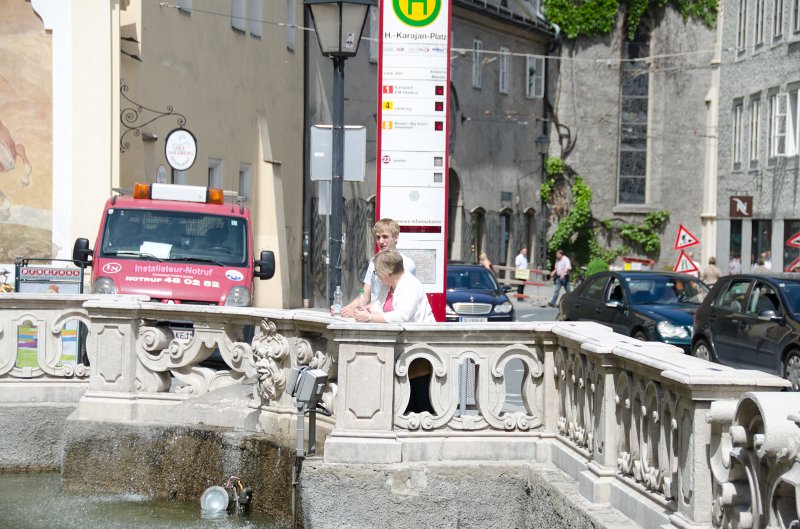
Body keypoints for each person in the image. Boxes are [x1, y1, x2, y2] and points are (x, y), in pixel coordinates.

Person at [336, 218, 416, 317]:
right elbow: (365, 294)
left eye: (385, 237)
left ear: (396, 237)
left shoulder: (407, 264)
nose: (381, 241)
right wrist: (347, 309)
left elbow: (396, 302)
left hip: (392, 319)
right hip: (374, 314)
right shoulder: (374, 262)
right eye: (378, 237)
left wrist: (365, 313)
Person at [353, 249, 435, 324]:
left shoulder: (410, 284)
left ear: (388, 271)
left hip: (421, 336)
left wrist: (369, 317)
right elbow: (378, 308)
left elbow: (402, 316)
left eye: (377, 272)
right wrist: (365, 312)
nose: (377, 276)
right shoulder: (387, 285)